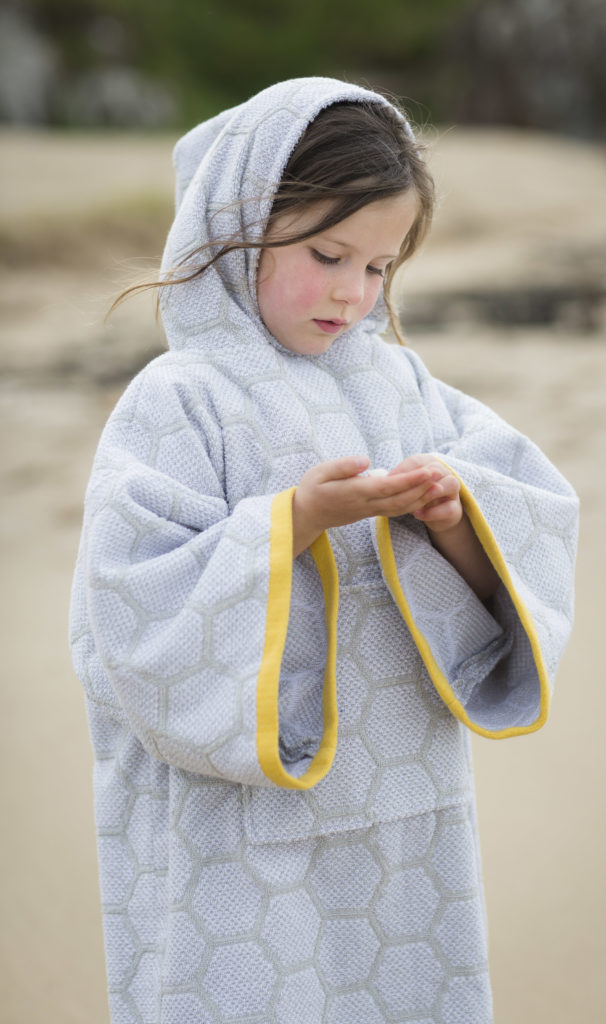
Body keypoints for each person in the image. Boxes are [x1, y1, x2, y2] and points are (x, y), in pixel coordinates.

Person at [69, 77, 579, 1024]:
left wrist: (454, 517)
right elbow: (128, 602)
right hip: (243, 820)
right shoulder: (180, 397)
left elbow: (528, 522)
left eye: (381, 268)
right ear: (238, 224)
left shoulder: (401, 380)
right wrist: (291, 522)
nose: (353, 292)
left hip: (401, 810)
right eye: (327, 253)